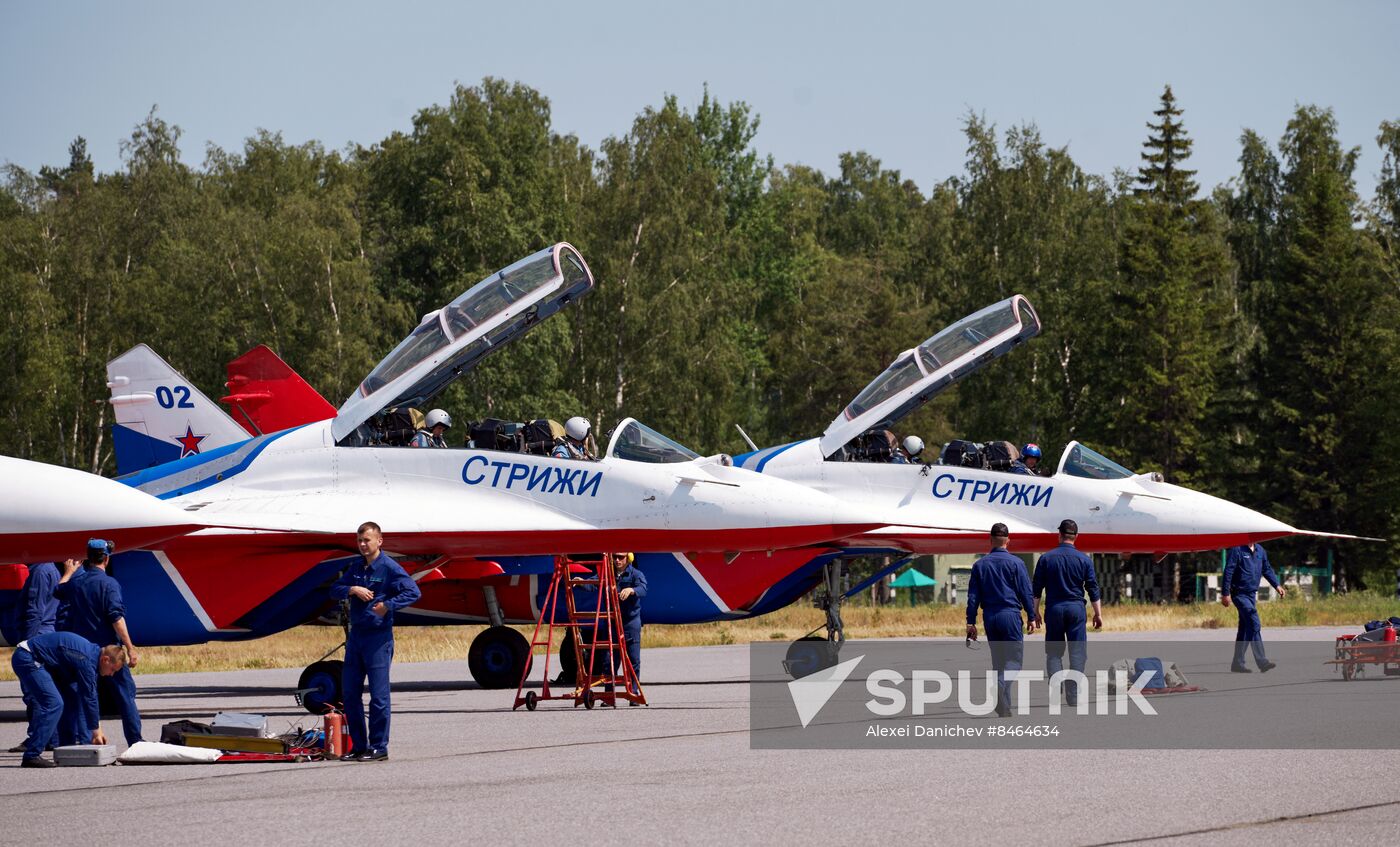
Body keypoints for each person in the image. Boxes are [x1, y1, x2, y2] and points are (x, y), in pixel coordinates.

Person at [329, 521, 421, 761]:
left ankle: (379, 747)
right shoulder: (357, 567)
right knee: (350, 694)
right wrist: (353, 589)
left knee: (379, 697)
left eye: (366, 540)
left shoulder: (389, 567)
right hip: (357, 638)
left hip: (378, 639)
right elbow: (334, 589)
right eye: (359, 541)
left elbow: (412, 591)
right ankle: (359, 746)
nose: (362, 545)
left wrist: (388, 606)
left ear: (379, 541)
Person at [55, 539, 142, 746]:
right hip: (109, 651)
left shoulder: (77, 582)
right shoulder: (109, 584)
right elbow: (116, 618)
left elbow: (58, 592)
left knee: (85, 695)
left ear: (88, 557)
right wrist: (130, 648)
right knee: (125, 696)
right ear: (107, 558)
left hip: (82, 652)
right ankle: (135, 741)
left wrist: (68, 572)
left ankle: (86, 741)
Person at [11, 631, 127, 768]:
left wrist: (96, 727)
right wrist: (96, 731)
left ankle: (67, 748)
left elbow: (86, 695)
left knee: (71, 698)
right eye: (112, 669)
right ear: (105, 660)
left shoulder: (91, 655)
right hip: (28, 658)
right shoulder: (86, 659)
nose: (111, 674)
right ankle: (32, 755)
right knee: (54, 704)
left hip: (38, 660)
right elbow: (90, 697)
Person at [965, 523, 1038, 716]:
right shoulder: (1016, 563)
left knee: (998, 662)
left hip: (990, 617)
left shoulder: (980, 565)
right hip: (1010, 616)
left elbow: (973, 597)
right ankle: (999, 685)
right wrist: (1031, 616)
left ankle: (1003, 707)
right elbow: (1025, 591)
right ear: (1008, 540)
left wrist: (970, 622)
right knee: (1014, 661)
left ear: (990, 540)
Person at [1031, 519, 1102, 706]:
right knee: (1077, 653)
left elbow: (1036, 588)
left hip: (1054, 609)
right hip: (1076, 609)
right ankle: (1073, 695)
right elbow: (1092, 588)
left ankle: (1056, 688)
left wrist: (1034, 611)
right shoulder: (1084, 559)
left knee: (1054, 653)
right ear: (1076, 537)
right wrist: (1098, 613)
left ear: (1059, 535)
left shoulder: (1046, 558)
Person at [7, 560, 63, 753]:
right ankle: (49, 738)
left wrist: (27, 644)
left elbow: (34, 610)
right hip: (46, 634)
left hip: (36, 636)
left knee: (35, 693)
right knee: (44, 691)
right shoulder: (50, 569)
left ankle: (38, 738)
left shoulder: (40, 571)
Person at [1221, 541, 1284, 673]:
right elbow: (1229, 570)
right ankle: (1262, 662)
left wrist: (1277, 585)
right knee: (1253, 621)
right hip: (1239, 594)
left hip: (1251, 595)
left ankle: (1237, 664)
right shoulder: (1237, 548)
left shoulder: (1260, 550)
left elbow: (1266, 569)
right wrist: (1225, 593)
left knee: (1245, 628)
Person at [612, 552, 648, 703]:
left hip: (630, 623)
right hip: (613, 622)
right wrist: (581, 582)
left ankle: (633, 693)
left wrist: (631, 590)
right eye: (615, 557)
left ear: (629, 558)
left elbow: (643, 589)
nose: (617, 560)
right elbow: (595, 584)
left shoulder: (636, 574)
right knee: (610, 661)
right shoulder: (608, 574)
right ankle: (609, 696)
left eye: (621, 557)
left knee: (633, 660)